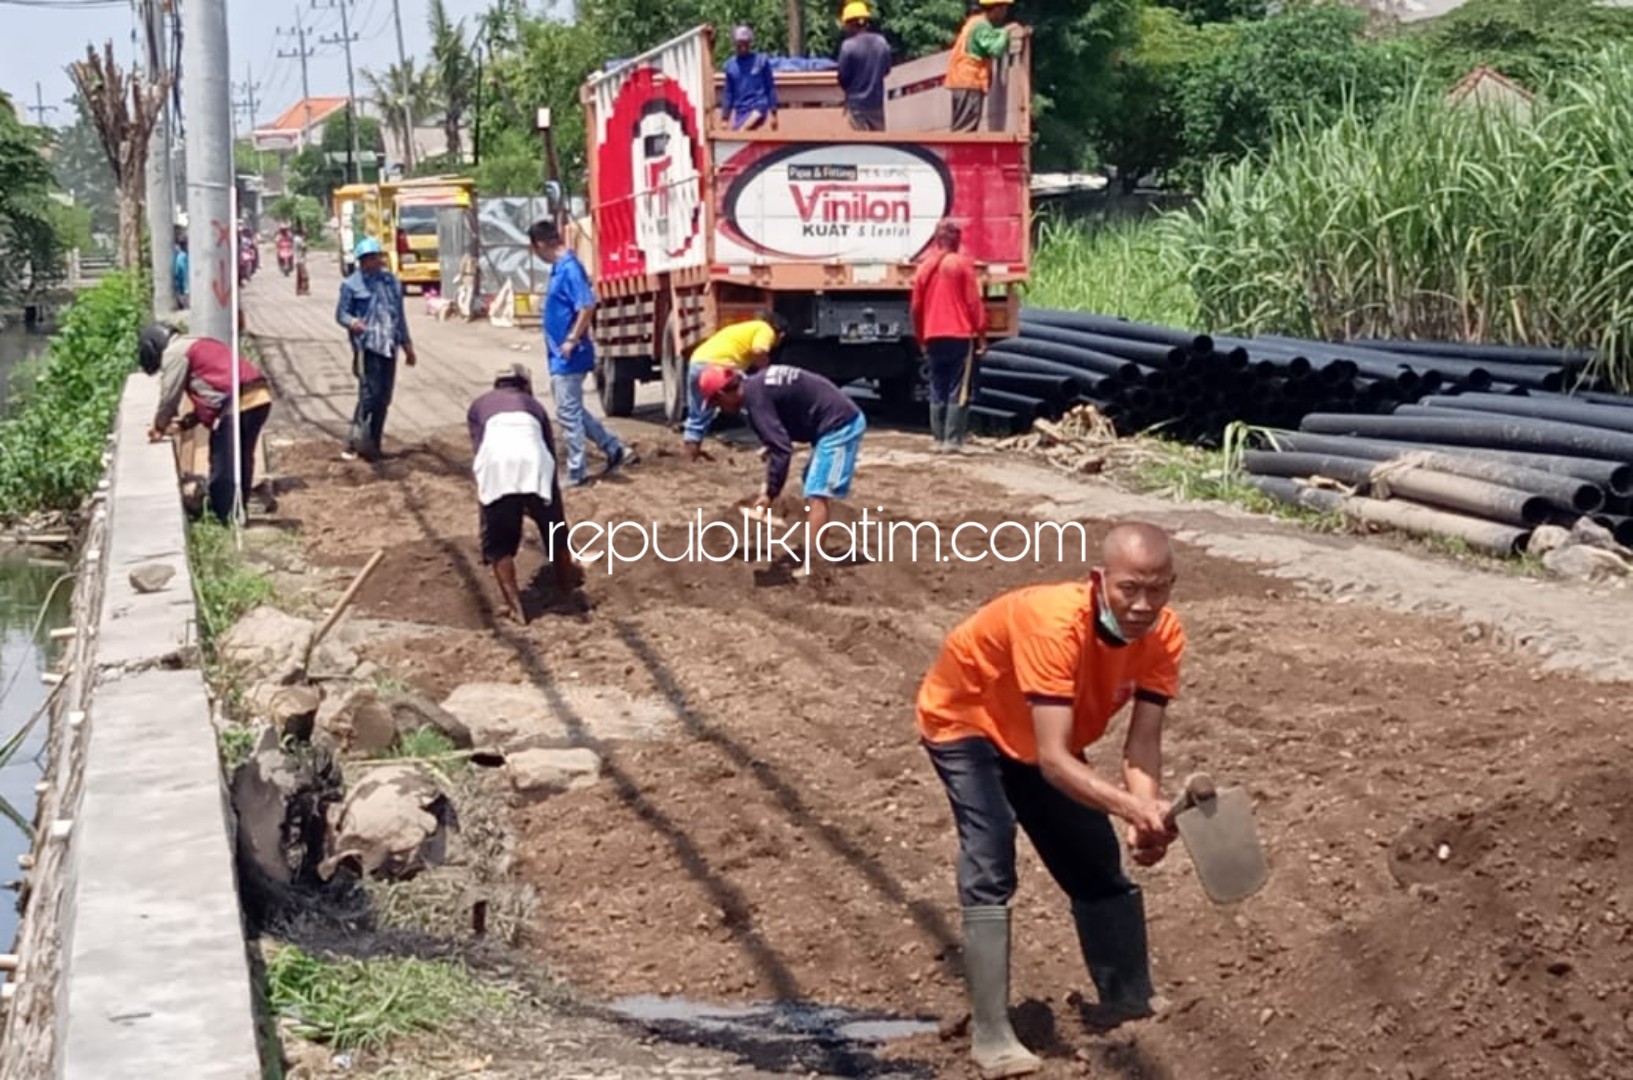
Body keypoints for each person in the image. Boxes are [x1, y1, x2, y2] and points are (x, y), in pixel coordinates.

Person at [915, 523, 1186, 1078]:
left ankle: (1129, 995)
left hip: (1037, 738)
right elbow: (1055, 761)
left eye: (1156, 590)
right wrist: (1132, 808)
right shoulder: (1054, 625)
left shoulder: (1164, 636)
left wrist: (1147, 811)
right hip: (967, 718)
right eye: (1128, 588)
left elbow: (1142, 743)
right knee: (991, 852)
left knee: (1091, 855)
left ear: (1171, 586)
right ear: (1099, 581)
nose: (1141, 605)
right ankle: (991, 1034)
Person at [698, 364, 865, 575]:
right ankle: (815, 550)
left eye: (715, 401)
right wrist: (772, 450)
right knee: (811, 481)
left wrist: (770, 494)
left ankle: (814, 564)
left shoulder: (756, 400)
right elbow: (781, 431)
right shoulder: (756, 387)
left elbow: (782, 451)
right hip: (828, 421)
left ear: (724, 393)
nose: (718, 408)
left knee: (817, 491)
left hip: (841, 425)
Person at [527, 219, 638, 486]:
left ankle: (577, 470)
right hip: (559, 354)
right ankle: (613, 448)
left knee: (568, 413)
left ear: (541, 244)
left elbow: (587, 305)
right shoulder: (560, 269)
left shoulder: (569, 269)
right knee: (573, 410)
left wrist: (571, 339)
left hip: (569, 355)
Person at [467, 364, 579, 624]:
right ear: (525, 385)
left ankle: (515, 608)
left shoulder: (479, 405)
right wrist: (548, 505)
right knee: (554, 530)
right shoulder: (534, 406)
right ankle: (566, 592)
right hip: (536, 463)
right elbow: (548, 449)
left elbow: (479, 448)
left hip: (496, 467)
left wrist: (494, 499)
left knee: (498, 543)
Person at [138, 322, 275, 524]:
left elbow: (170, 396)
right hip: (259, 396)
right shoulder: (198, 343)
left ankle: (225, 516)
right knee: (243, 459)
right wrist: (184, 424)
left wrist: (159, 427)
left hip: (236, 402)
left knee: (223, 462)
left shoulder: (175, 353)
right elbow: (212, 396)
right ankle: (237, 510)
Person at [335, 236, 416, 462]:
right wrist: (353, 322)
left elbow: (399, 317)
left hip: (389, 346)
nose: (374, 262)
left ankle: (374, 445)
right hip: (367, 347)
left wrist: (408, 347)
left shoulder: (392, 282)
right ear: (361, 262)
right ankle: (353, 442)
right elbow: (341, 314)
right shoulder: (351, 285)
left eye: (376, 257)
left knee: (383, 398)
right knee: (368, 395)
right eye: (368, 259)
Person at [911, 220, 987, 452]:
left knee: (937, 384)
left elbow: (915, 306)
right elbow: (973, 303)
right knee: (958, 386)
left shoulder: (924, 267)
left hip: (933, 335)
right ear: (957, 241)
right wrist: (981, 334)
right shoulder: (961, 265)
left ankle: (937, 439)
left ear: (936, 240)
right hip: (959, 334)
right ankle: (953, 440)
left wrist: (921, 337)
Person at [682, 312, 789, 461]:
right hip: (720, 366)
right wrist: (767, 375)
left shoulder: (744, 329)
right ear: (781, 334)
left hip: (697, 362)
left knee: (699, 411)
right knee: (754, 399)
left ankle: (691, 453)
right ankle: (772, 441)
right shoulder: (765, 329)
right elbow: (759, 351)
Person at [946, 0, 1015, 132]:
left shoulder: (974, 23)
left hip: (962, 81)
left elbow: (988, 39)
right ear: (996, 9)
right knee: (965, 129)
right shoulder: (981, 26)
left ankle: (960, 152)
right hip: (969, 82)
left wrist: (1000, 32)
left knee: (961, 127)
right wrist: (1005, 33)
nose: (1005, 12)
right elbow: (995, 49)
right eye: (1004, 8)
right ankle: (963, 153)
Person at [836, 1, 891, 131]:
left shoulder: (848, 47)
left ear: (850, 23)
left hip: (856, 106)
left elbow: (842, 77)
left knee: (859, 146)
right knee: (879, 147)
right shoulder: (881, 43)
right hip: (876, 103)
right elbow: (887, 70)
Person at [722, 25, 778, 130]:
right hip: (741, 109)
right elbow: (728, 93)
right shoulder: (730, 66)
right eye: (740, 44)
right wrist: (725, 118)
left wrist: (774, 113)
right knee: (738, 134)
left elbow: (770, 87)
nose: (743, 47)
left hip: (758, 106)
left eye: (746, 43)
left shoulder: (761, 61)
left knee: (743, 129)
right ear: (735, 44)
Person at [293, 225, 310, 297]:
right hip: (300, 260)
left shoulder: (295, 238)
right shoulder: (299, 239)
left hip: (298, 260)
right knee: (304, 276)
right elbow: (304, 247)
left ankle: (299, 290)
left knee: (299, 276)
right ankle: (303, 290)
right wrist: (305, 240)